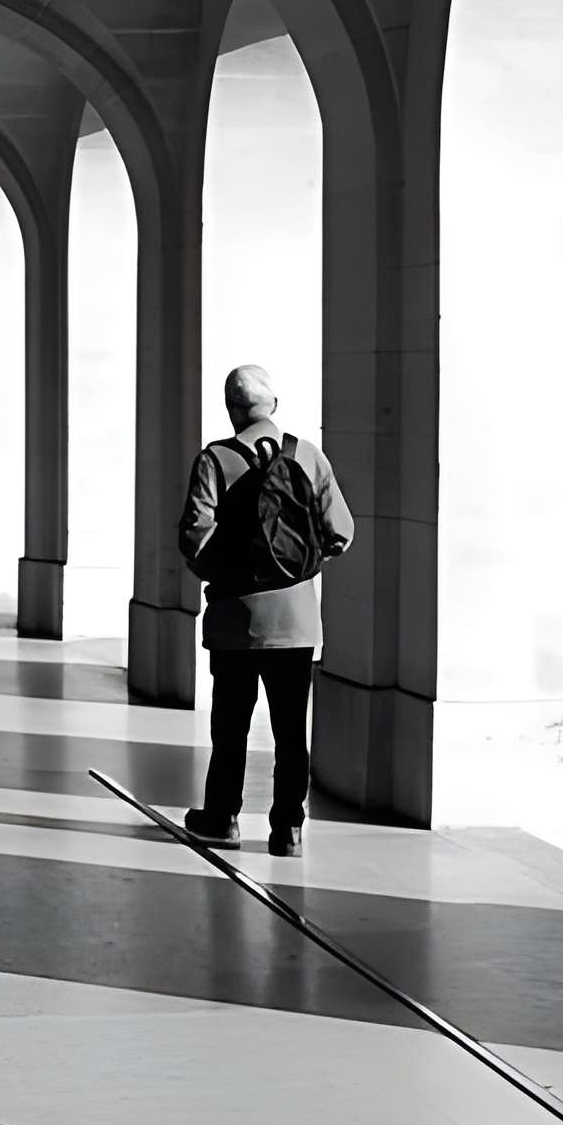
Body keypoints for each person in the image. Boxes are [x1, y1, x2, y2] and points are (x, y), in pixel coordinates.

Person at [177, 365, 355, 857]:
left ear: (233, 409)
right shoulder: (309, 457)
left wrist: (231, 573)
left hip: (236, 621)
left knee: (230, 727)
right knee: (291, 731)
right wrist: (296, 568)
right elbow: (342, 532)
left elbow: (194, 539)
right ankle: (287, 829)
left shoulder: (214, 460)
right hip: (296, 624)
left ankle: (221, 819)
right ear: (273, 406)